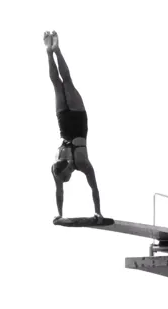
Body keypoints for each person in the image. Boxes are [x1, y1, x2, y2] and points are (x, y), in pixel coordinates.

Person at [44, 30, 103, 223]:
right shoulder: (62, 169)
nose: (71, 171)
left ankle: (54, 50)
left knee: (62, 83)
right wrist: (60, 214)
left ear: (66, 169)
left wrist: (98, 212)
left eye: (68, 173)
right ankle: (50, 51)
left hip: (72, 120)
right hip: (72, 122)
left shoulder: (80, 164)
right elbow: (63, 191)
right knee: (58, 84)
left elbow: (92, 188)